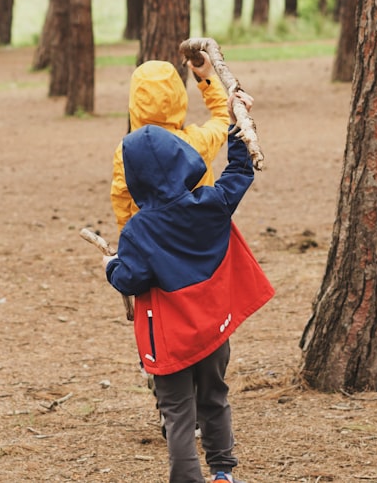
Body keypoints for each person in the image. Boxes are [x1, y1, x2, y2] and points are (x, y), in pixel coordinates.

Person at [102, 104, 275, 483]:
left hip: (171, 339)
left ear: (135, 178)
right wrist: (237, 127)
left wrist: (112, 267)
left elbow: (131, 279)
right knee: (214, 398)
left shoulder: (138, 230)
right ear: (183, 159)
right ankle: (223, 473)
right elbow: (239, 172)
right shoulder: (212, 204)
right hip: (214, 330)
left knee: (178, 414)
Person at [110, 53, 230, 232]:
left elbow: (121, 197)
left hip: (149, 242)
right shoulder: (197, 142)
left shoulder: (126, 150)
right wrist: (207, 78)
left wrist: (127, 240)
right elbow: (224, 117)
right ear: (178, 96)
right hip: (197, 239)